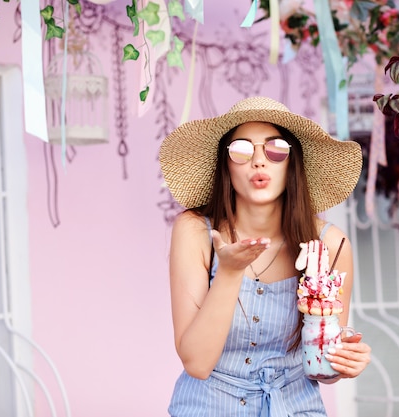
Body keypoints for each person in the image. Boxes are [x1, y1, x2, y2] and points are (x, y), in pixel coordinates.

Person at [159, 96, 371, 416]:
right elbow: (197, 363)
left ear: (292, 162)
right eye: (242, 151)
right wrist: (229, 271)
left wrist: (342, 363)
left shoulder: (329, 246)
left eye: (276, 149)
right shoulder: (195, 232)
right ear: (226, 166)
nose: (259, 161)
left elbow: (321, 367)